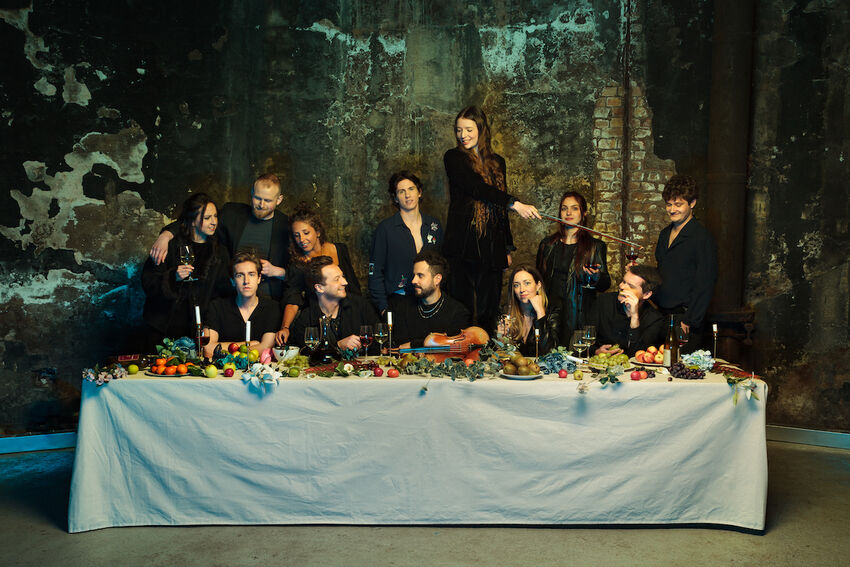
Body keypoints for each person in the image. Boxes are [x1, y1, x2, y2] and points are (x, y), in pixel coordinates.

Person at [443, 105, 541, 332]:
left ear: (481, 129)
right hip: (462, 245)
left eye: (468, 129)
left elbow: (499, 208)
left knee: (489, 309)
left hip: (491, 245)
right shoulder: (453, 158)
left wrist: (506, 247)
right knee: (463, 307)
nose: (463, 135)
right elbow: (476, 188)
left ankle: (486, 348)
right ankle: (463, 349)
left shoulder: (498, 162)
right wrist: (515, 203)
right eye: (459, 130)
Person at [149, 173, 291, 301]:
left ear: (279, 199)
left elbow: (300, 269)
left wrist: (278, 272)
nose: (261, 205)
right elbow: (195, 219)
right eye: (257, 198)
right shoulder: (232, 213)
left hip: (269, 300)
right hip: (231, 298)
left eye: (267, 200)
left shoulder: (287, 226)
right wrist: (166, 235)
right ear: (252, 193)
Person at [141, 193, 232, 350]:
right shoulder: (170, 246)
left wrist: (209, 324)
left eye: (215, 216)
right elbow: (148, 282)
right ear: (193, 220)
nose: (214, 222)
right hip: (163, 329)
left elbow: (223, 293)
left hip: (198, 330)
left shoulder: (220, 252)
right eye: (207, 218)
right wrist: (173, 277)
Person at [275, 204, 361, 345]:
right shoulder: (297, 265)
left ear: (318, 232)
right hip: (318, 318)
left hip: (348, 313)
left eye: (306, 233)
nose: (301, 239)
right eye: (297, 235)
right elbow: (292, 299)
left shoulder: (339, 249)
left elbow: (353, 286)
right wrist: (285, 327)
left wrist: (359, 313)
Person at [536, 191, 610, 347]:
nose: (568, 213)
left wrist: (596, 277)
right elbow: (538, 279)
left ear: (584, 213)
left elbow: (605, 284)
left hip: (579, 315)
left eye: (574, 208)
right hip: (550, 313)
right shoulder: (547, 244)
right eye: (564, 208)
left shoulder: (595, 246)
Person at [653, 175, 718, 351]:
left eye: (678, 204)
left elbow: (706, 282)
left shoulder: (702, 238)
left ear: (692, 203)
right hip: (661, 316)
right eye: (669, 204)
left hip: (685, 319)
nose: (672, 209)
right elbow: (664, 272)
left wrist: (690, 319)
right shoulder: (664, 234)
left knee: (681, 366)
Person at [369, 171, 443, 313]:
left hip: (430, 299)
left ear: (419, 192)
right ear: (395, 198)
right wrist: (383, 308)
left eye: (411, 189)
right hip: (399, 300)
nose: (407, 195)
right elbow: (375, 272)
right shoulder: (385, 229)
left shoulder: (434, 225)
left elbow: (441, 264)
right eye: (401, 191)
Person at [290, 256, 378, 353]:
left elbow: (378, 344)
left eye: (342, 276)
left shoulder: (361, 306)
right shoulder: (306, 320)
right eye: (336, 279)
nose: (345, 282)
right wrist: (337, 346)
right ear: (319, 288)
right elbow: (304, 354)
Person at [204, 250, 282, 356]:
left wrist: (227, 348)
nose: (246, 281)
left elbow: (266, 348)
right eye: (240, 275)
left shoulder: (272, 308)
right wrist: (249, 344)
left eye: (251, 274)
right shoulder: (217, 307)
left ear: (259, 278)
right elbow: (208, 349)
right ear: (232, 281)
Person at [389, 250, 471, 349]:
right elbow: (401, 346)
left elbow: (452, 346)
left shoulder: (457, 312)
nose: (413, 281)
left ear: (437, 279)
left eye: (420, 276)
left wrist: (413, 344)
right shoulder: (403, 307)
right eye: (414, 275)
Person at [589, 265, 665, 357]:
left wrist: (634, 317)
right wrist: (596, 351)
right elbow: (584, 340)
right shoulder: (604, 302)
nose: (621, 286)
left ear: (646, 294)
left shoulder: (654, 319)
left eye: (631, 286)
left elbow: (640, 356)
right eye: (623, 281)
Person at [499, 266, 560, 357]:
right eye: (516, 285)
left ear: (538, 285)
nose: (522, 290)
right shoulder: (505, 312)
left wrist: (540, 313)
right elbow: (498, 356)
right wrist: (500, 340)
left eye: (527, 283)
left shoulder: (552, 312)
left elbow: (551, 352)